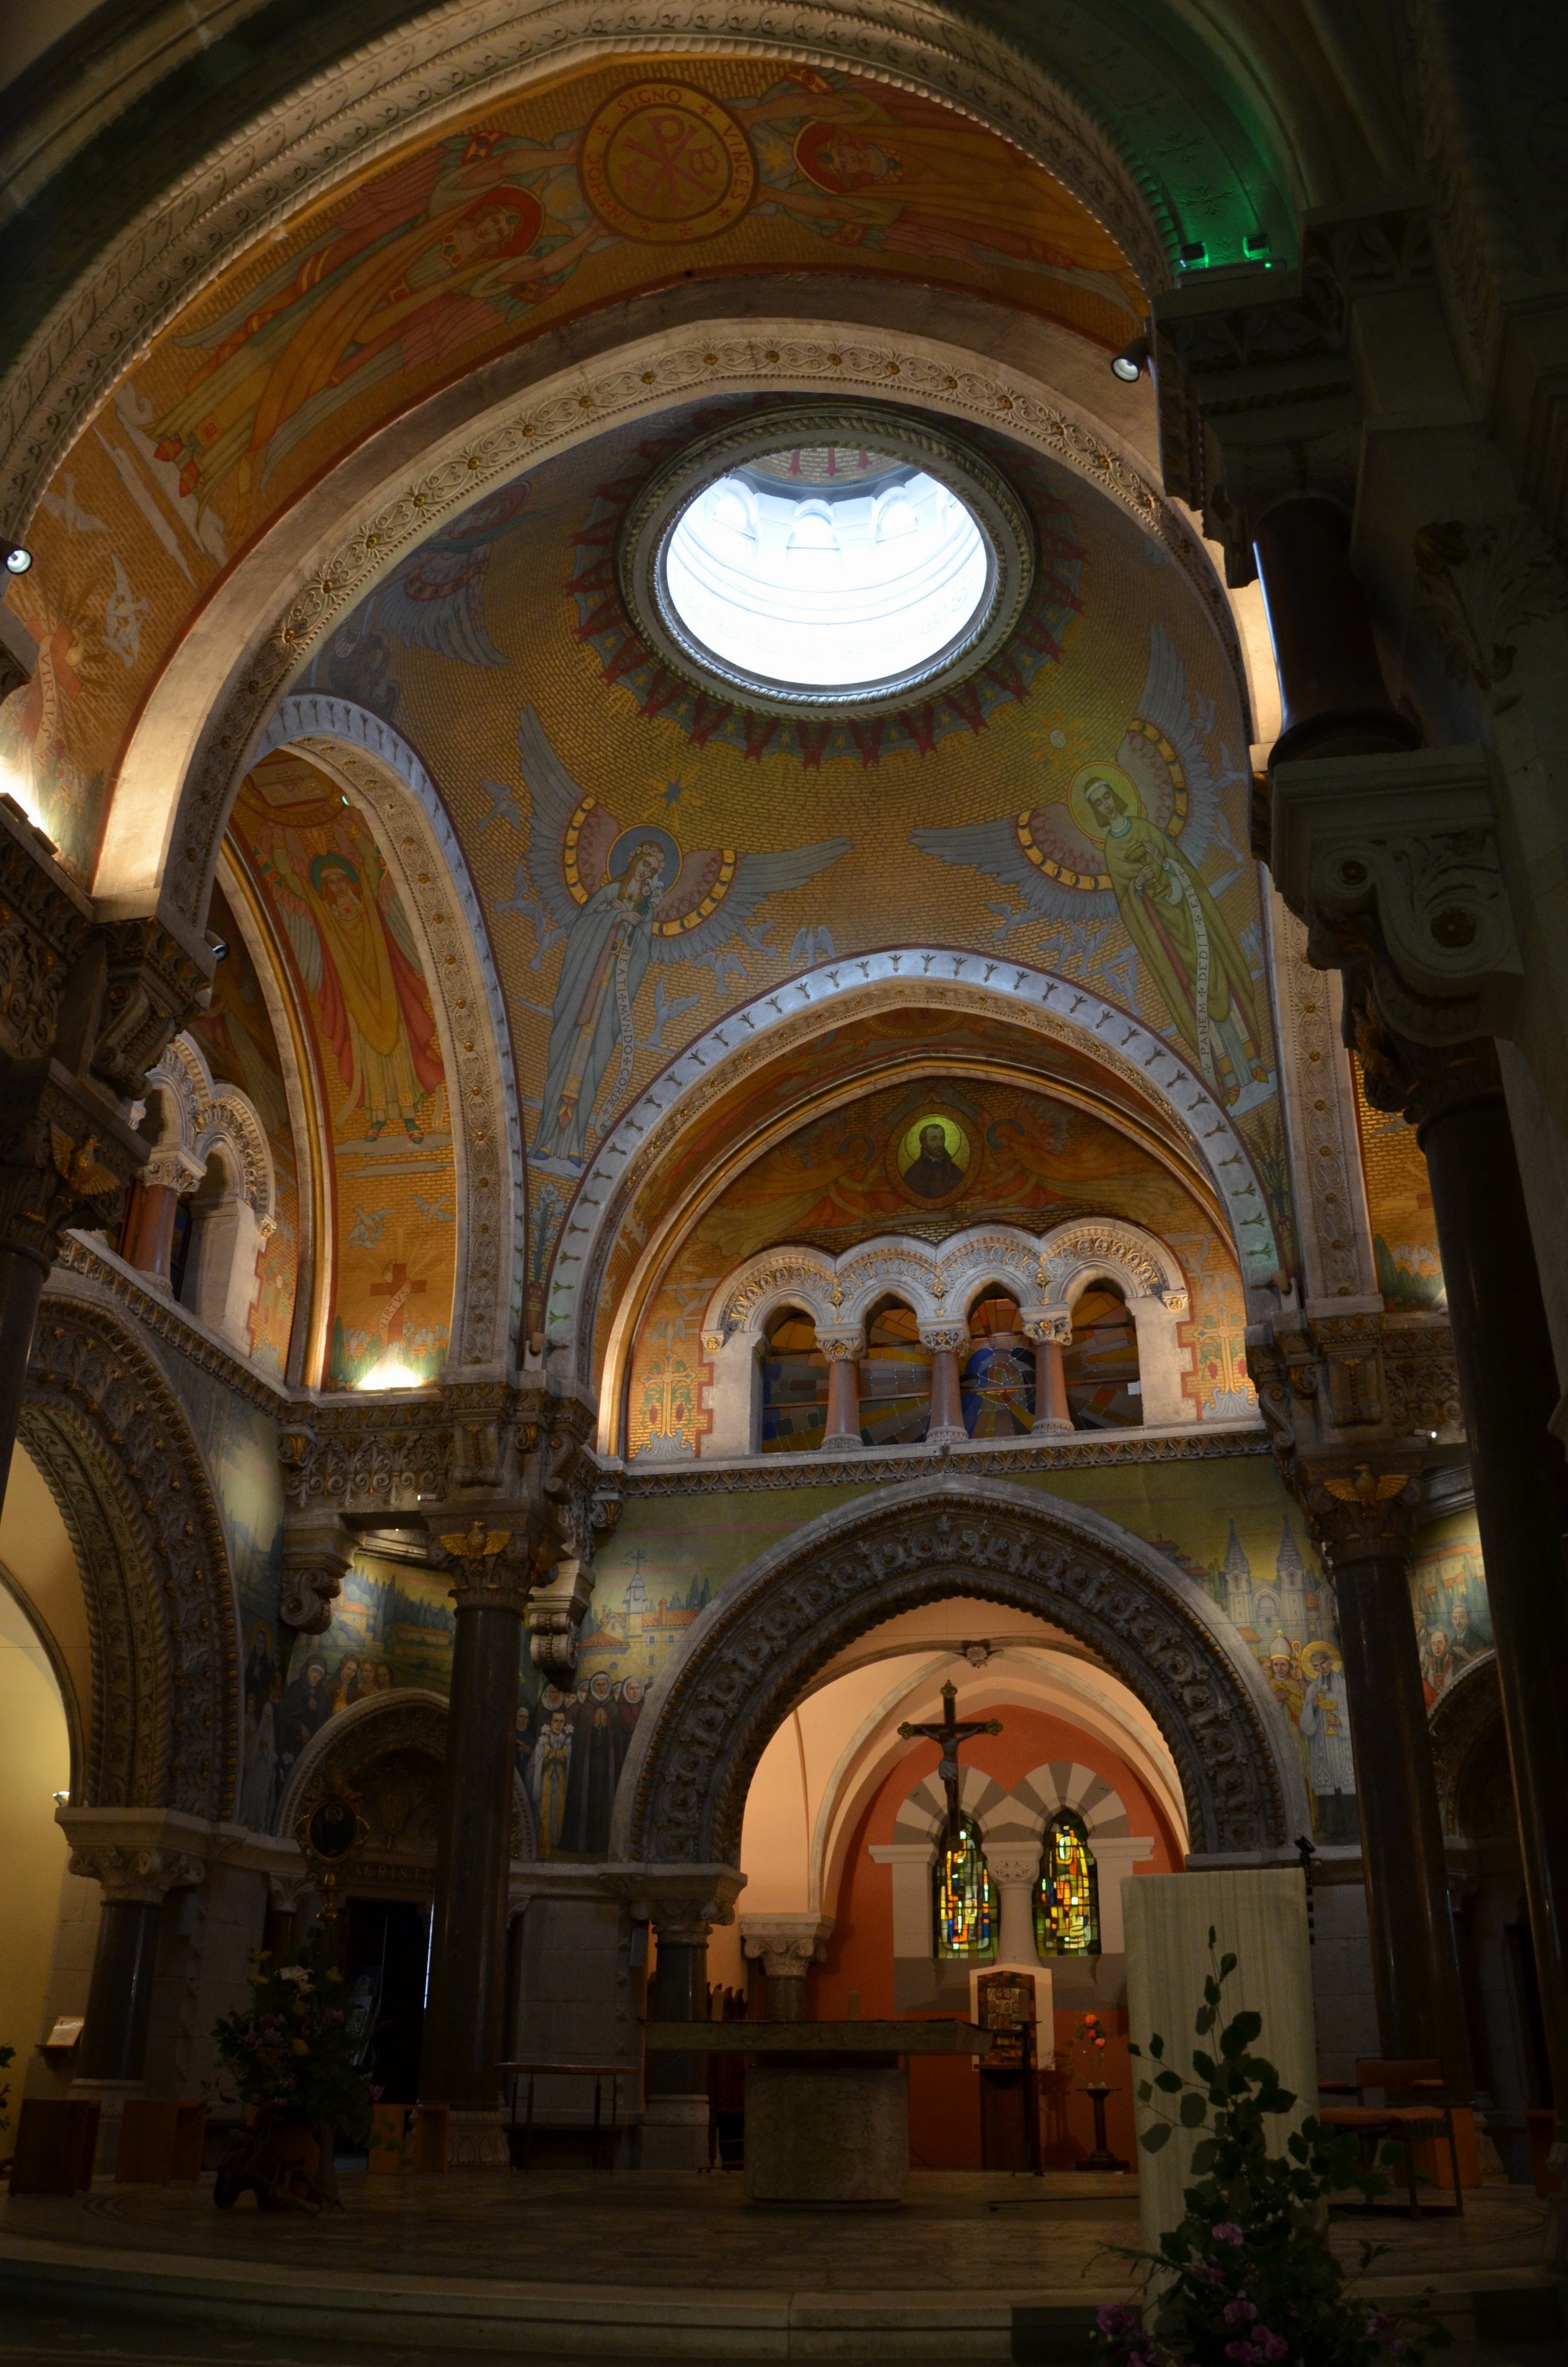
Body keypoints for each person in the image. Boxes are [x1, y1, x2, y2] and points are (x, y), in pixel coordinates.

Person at [1298, 1645, 1357, 1843]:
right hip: (1322, 1747)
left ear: (1331, 1662)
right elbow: (1306, 1725)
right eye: (1316, 1666)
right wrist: (1314, 1705)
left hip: (1344, 1746)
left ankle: (1353, 1827)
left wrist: (1341, 1721)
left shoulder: (1344, 1685)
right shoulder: (1313, 1690)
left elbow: (1358, 1716)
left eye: (1323, 1663)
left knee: (1347, 1784)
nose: (1320, 1668)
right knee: (1329, 1785)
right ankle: (1331, 1828)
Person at [902, 1121, 964, 1200]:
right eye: (933, 1139)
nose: (940, 1144)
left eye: (942, 1138)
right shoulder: (914, 1173)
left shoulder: (953, 1168)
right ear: (924, 1143)